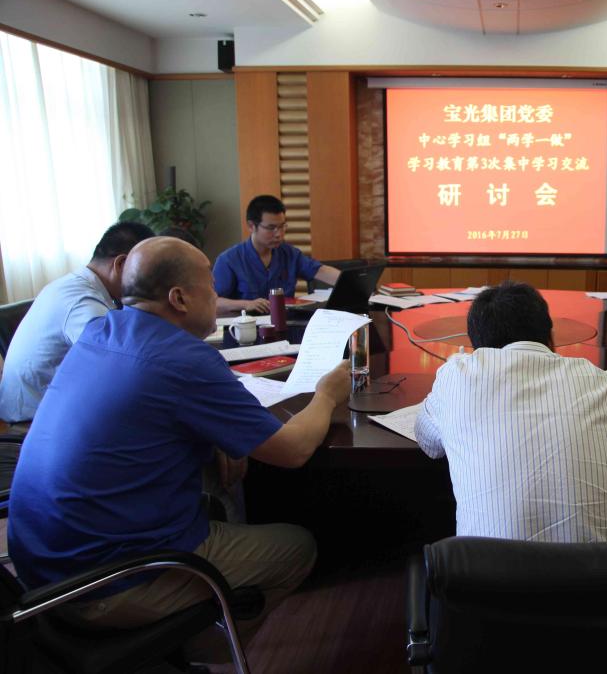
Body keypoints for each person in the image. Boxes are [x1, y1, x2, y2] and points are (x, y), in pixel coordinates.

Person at [7, 236, 351, 664]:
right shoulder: (184, 359)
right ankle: (191, 651)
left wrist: (218, 437)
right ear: (179, 298)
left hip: (37, 567)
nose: (217, 296)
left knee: (216, 477)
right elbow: (294, 450)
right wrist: (326, 394)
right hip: (104, 585)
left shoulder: (101, 330)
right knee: (296, 546)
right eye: (211, 286)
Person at [414, 281, 607, 542]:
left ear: (477, 348)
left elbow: (428, 442)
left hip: (488, 576)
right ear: (551, 337)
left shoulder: (456, 378)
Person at [0, 221, 154, 424]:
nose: (147, 285)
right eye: (147, 275)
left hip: (41, 402)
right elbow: (117, 364)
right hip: (33, 418)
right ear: (121, 264)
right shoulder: (82, 302)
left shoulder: (76, 285)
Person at [212, 194, 341, 315]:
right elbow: (213, 302)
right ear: (251, 226)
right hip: (247, 325)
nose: (278, 234)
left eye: (282, 226)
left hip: (285, 323)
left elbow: (321, 271)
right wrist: (246, 304)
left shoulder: (289, 254)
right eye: (271, 228)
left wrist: (348, 282)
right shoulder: (228, 260)